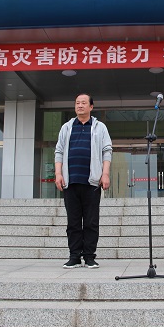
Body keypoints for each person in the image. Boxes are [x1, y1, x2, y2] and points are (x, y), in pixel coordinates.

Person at [55, 93, 112, 269]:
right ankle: (74, 256)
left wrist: (105, 174)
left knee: (91, 222)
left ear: (91, 107)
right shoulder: (66, 127)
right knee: (73, 222)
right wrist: (58, 174)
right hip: (70, 181)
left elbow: (107, 151)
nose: (80, 105)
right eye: (77, 103)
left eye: (83, 103)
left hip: (92, 182)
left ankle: (89, 256)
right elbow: (59, 151)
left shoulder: (100, 127)